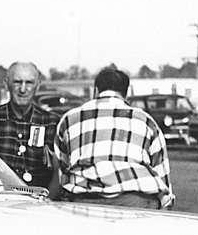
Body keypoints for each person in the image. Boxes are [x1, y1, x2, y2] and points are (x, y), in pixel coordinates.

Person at [53, 66, 174, 209]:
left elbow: (62, 168)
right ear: (125, 94)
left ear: (96, 90)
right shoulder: (145, 120)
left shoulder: (69, 119)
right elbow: (161, 171)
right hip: (136, 200)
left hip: (84, 200)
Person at [0, 61, 56, 190]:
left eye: (29, 83)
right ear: (6, 85)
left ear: (38, 86)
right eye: (17, 82)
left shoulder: (51, 123)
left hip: (39, 205)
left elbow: (59, 176)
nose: (23, 89)